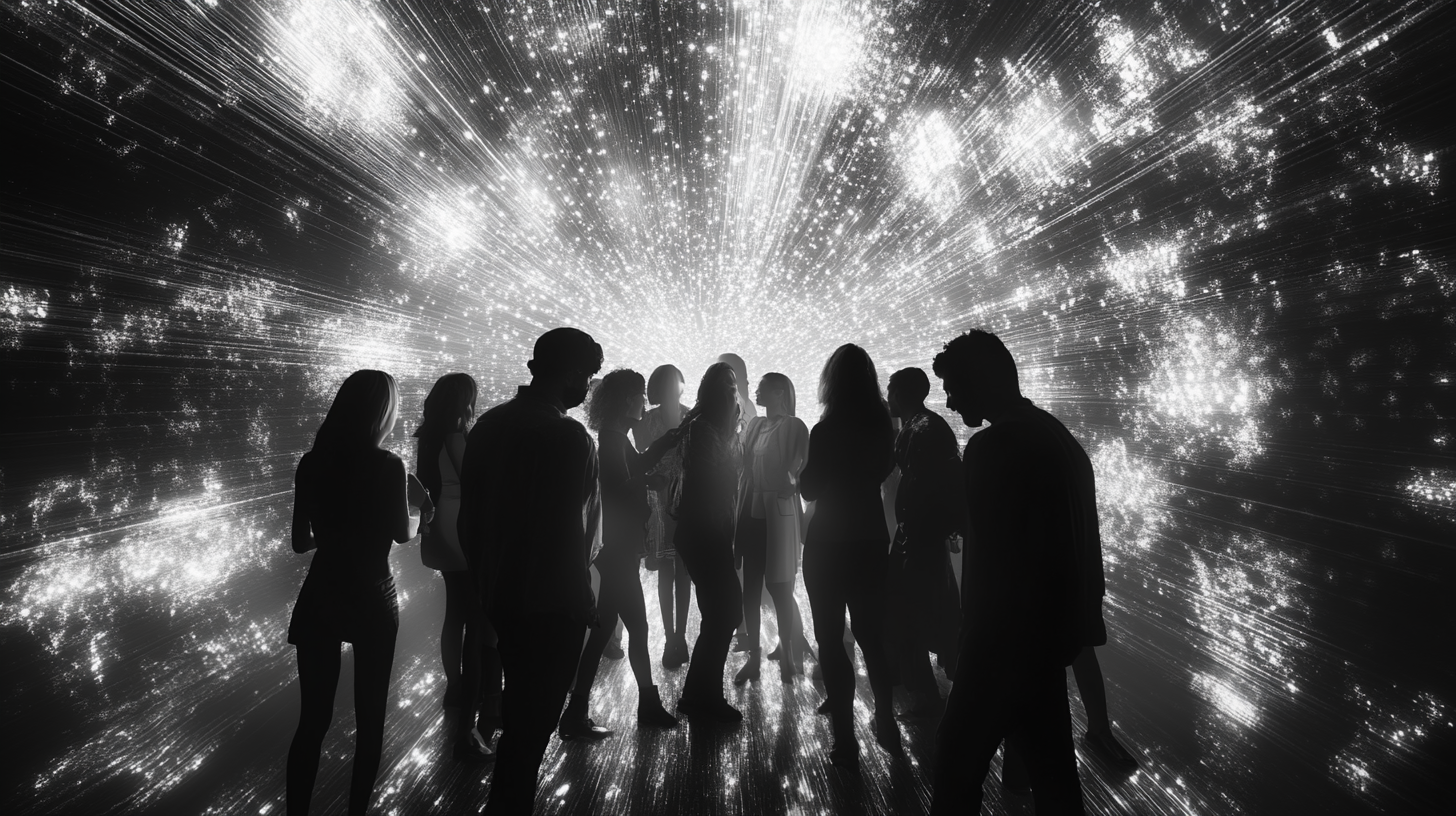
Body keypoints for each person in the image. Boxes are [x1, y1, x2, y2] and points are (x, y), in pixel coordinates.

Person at [928, 329, 1086, 816]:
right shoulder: (1056, 434)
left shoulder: (990, 448)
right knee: (1056, 780)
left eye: (955, 387)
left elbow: (991, 560)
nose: (950, 401)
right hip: (1044, 641)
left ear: (981, 381)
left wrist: (968, 639)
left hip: (998, 643)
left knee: (954, 771)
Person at [458, 328, 604, 816]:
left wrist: (485, 582)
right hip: (551, 602)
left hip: (502, 595)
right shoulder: (567, 435)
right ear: (568, 372)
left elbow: (468, 518)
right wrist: (583, 602)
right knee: (532, 725)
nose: (588, 385)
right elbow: (567, 529)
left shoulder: (489, 425)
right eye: (587, 374)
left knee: (517, 719)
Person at [286, 370, 432, 816]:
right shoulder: (389, 465)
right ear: (382, 413)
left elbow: (299, 541)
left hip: (321, 593)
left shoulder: (312, 462)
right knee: (370, 721)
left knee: (312, 720)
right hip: (372, 596)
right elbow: (402, 534)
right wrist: (421, 509)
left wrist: (333, 534)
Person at [560, 370, 683, 738]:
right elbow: (620, 484)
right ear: (627, 400)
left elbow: (635, 468)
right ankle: (646, 706)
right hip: (618, 548)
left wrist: (665, 444)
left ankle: (578, 711)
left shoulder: (614, 437)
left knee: (601, 635)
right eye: (640, 396)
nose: (644, 403)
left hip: (616, 548)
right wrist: (650, 482)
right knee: (638, 628)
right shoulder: (612, 442)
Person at [799, 344, 902, 769]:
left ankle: (845, 738)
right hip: (871, 539)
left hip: (827, 542)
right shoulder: (884, 428)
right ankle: (885, 716)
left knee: (829, 638)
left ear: (831, 382)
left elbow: (809, 488)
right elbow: (880, 475)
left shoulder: (824, 431)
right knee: (872, 636)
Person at [413, 373, 498, 761]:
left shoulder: (428, 436)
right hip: (461, 520)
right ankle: (472, 692)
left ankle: (455, 684)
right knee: (474, 612)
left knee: (454, 611)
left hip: (440, 520)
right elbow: (475, 480)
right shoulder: (457, 436)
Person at [885, 367, 965, 718]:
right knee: (929, 609)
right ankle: (941, 683)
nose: (887, 398)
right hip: (919, 533)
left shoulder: (922, 429)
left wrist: (933, 528)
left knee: (909, 612)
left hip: (918, 535)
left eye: (890, 391)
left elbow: (936, 485)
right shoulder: (923, 425)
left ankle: (928, 694)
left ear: (899, 394)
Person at [673, 361, 745, 722]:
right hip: (706, 532)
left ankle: (698, 696)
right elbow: (711, 484)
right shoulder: (705, 431)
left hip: (704, 532)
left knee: (719, 613)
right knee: (725, 611)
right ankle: (704, 697)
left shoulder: (709, 428)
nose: (736, 396)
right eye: (732, 389)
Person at [732, 372, 812, 685]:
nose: (757, 392)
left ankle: (788, 654)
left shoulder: (794, 425)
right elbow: (744, 470)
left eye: (763, 387)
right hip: (753, 512)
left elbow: (802, 470)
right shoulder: (754, 425)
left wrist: (788, 487)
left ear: (779, 392)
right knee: (751, 586)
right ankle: (755, 655)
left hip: (778, 514)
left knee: (780, 587)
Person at [632, 364, 693, 669]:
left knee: (678, 571)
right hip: (659, 500)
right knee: (674, 571)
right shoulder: (683, 416)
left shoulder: (689, 415)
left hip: (681, 499)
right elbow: (641, 454)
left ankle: (677, 637)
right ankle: (674, 637)